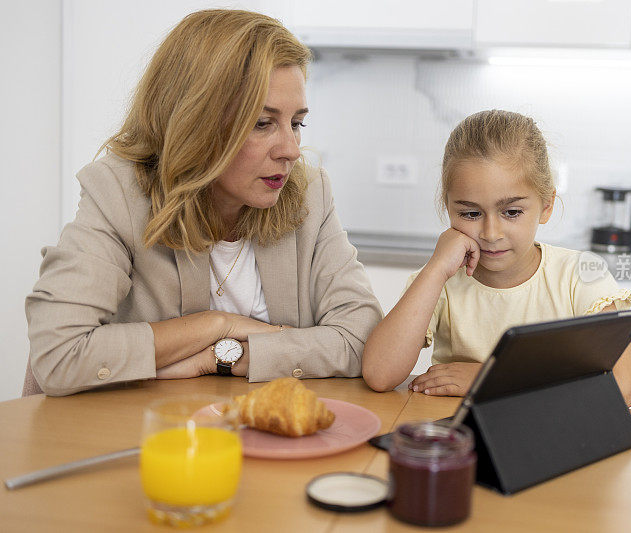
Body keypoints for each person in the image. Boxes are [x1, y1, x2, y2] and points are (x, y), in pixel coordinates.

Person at [24, 9, 382, 396]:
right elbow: (59, 354)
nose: (291, 151)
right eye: (263, 123)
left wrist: (220, 359)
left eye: (296, 123)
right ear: (196, 122)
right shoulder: (117, 192)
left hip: (268, 437)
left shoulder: (310, 191)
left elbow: (364, 340)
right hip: (147, 436)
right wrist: (217, 325)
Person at [362, 110, 631, 406]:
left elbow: (623, 386)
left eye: (511, 212)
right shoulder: (439, 281)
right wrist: (436, 269)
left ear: (546, 206)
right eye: (470, 213)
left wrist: (490, 377)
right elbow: (380, 374)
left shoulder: (580, 276)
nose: (491, 233)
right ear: (448, 209)